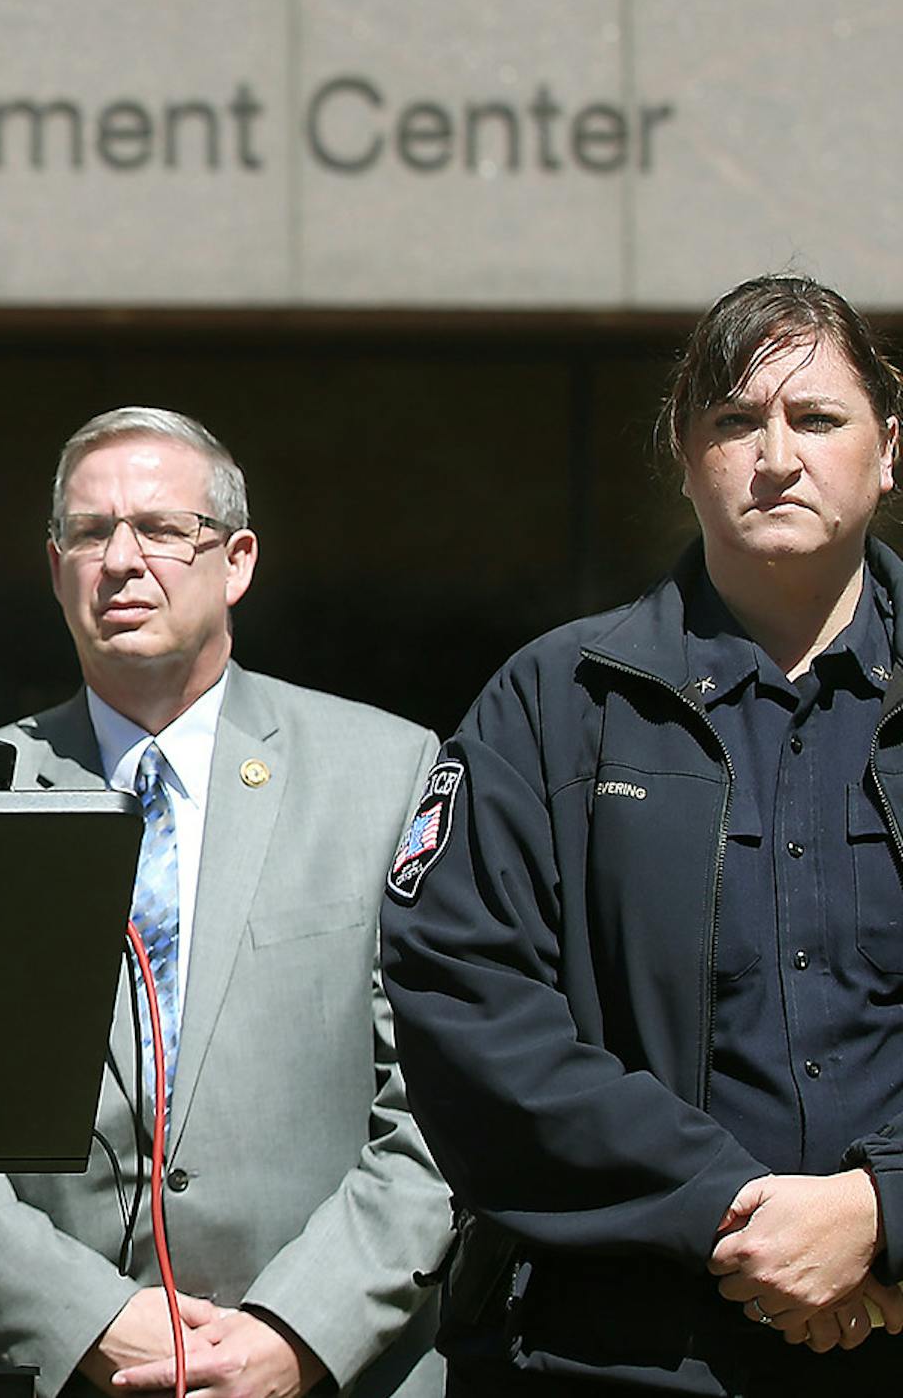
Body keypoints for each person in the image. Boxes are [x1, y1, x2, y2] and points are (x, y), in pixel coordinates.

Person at [381, 274, 903, 1396]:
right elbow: (466, 1004)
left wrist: (882, 1213)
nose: (777, 456)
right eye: (734, 421)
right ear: (683, 453)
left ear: (889, 447)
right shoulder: (552, 702)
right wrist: (742, 1216)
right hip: (620, 1354)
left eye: (816, 418)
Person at [0, 408, 452, 1398]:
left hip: (331, 1370)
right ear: (55, 564)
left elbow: (438, 1109)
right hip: (52, 1368)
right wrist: (87, 1318)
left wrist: (297, 1333)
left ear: (236, 560)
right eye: (88, 531)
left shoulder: (389, 771)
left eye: (162, 529)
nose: (121, 559)